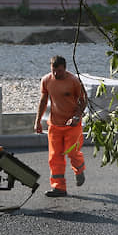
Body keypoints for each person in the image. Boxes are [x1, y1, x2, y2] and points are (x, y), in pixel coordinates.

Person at [35, 55, 87, 198]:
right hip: (55, 125)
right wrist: (37, 121)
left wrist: (76, 117)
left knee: (72, 153)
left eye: (59, 71)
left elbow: (83, 101)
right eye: (54, 70)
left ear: (65, 68)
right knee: (54, 157)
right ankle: (59, 188)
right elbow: (43, 100)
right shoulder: (46, 80)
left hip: (72, 125)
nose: (56, 74)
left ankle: (79, 170)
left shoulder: (74, 81)